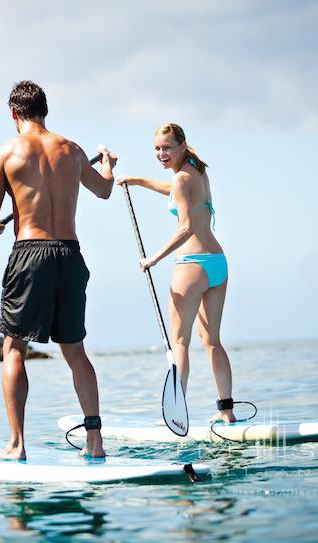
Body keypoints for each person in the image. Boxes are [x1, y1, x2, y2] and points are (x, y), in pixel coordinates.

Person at [0, 80, 117, 460]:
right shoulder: (72, 150)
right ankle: (95, 442)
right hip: (70, 254)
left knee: (14, 348)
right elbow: (104, 191)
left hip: (30, 252)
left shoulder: (6, 152)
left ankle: (17, 444)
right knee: (75, 351)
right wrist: (107, 166)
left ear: (13, 115)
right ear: (45, 111)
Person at [117, 123, 236, 423]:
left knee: (179, 342)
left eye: (167, 147)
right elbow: (173, 189)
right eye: (157, 148)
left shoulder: (183, 179)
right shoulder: (196, 171)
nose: (161, 153)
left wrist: (153, 259)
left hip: (192, 264)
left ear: (182, 145)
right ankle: (227, 412)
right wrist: (138, 180)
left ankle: (175, 414)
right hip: (217, 263)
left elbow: (185, 227)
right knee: (212, 341)